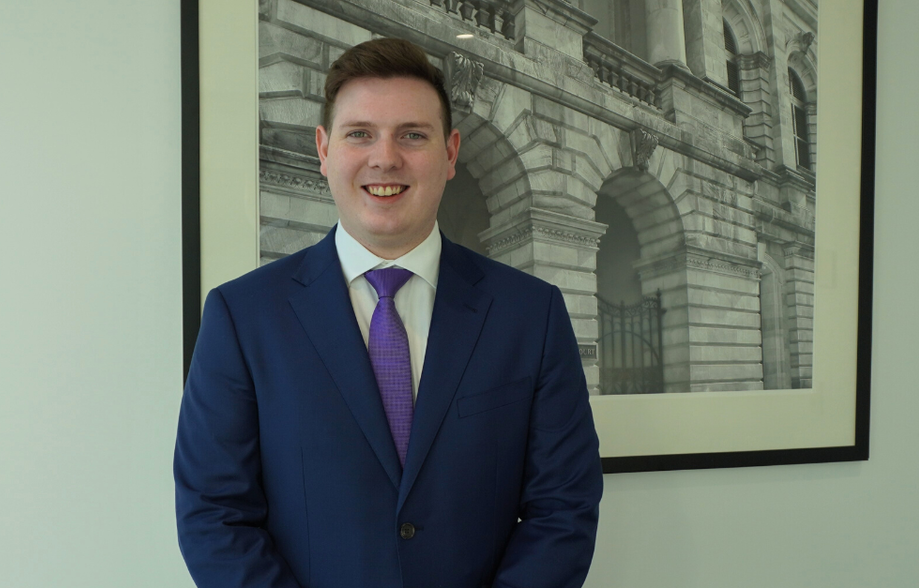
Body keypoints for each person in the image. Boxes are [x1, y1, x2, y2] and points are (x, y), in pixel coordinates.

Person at [174, 37, 603, 588]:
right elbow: (214, 513)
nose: (385, 158)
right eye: (360, 134)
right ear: (324, 150)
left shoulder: (530, 314)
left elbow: (563, 507)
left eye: (412, 135)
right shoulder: (241, 316)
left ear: (450, 154)